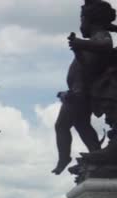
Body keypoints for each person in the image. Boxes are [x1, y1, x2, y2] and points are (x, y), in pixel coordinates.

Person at [52, 0, 116, 174]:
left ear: (91, 21)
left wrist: (81, 44)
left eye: (82, 19)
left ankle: (64, 157)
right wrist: (78, 51)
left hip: (80, 93)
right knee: (82, 125)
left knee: (61, 125)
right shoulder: (95, 38)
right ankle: (96, 153)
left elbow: (106, 46)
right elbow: (86, 66)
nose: (81, 24)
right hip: (78, 91)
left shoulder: (101, 36)